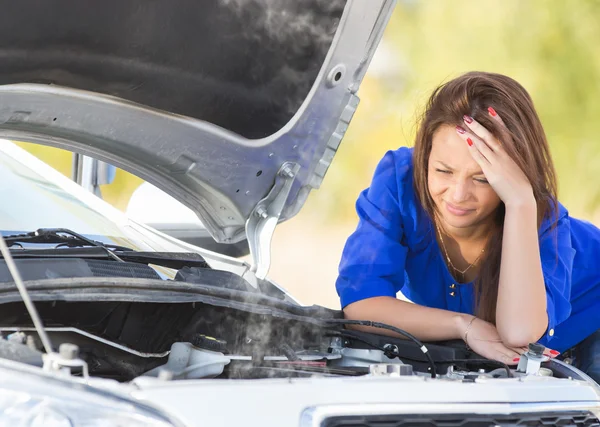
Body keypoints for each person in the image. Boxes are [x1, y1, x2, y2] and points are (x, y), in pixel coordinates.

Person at [335, 71, 600, 381]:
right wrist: (463, 324)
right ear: (425, 155)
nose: (458, 196)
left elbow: (520, 334)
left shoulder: (541, 216)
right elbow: (361, 303)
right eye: (444, 171)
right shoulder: (399, 179)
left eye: (482, 178)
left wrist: (520, 204)